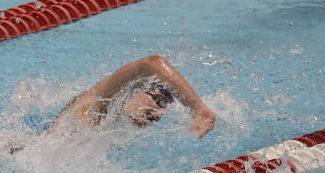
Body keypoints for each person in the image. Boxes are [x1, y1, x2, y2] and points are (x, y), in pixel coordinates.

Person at [56, 54, 216, 138]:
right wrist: (197, 108)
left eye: (163, 107)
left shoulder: (111, 124)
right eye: (158, 100)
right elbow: (151, 63)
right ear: (134, 92)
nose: (158, 112)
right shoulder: (100, 102)